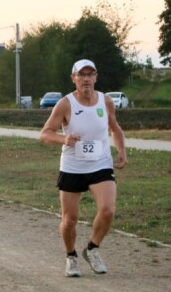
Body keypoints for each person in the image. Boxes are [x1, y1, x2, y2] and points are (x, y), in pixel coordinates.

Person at [39, 59, 128, 278]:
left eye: (90, 74)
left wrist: (121, 150)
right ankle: (71, 256)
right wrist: (64, 138)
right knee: (69, 220)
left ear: (96, 77)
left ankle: (92, 249)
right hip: (73, 166)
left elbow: (115, 129)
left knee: (107, 210)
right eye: (82, 75)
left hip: (101, 163)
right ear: (74, 78)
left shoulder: (106, 102)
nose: (86, 79)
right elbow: (45, 133)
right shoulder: (66, 104)